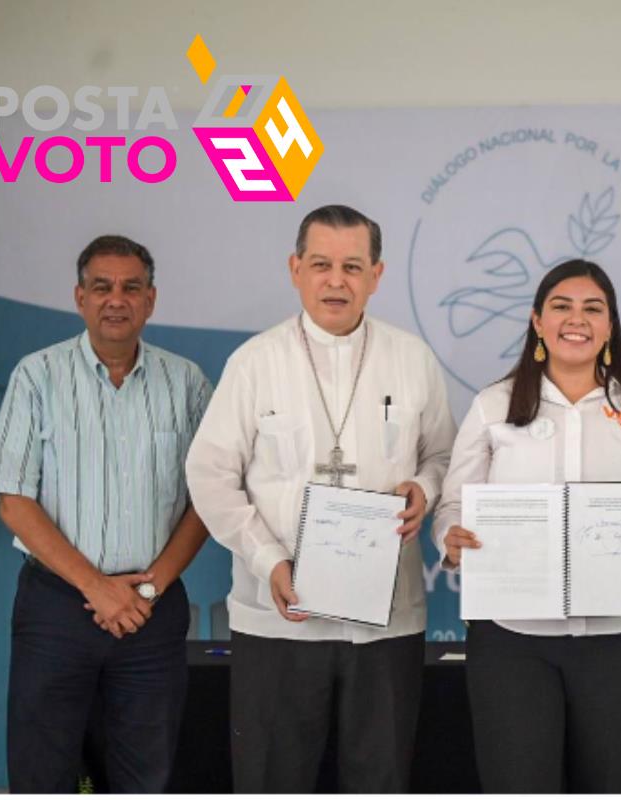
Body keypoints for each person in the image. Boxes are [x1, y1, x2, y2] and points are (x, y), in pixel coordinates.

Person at [184, 204, 456, 792]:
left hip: (386, 621)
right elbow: (209, 475)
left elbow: (442, 457)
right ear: (295, 268)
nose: (337, 280)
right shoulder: (255, 363)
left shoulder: (412, 360)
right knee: (272, 779)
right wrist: (269, 560)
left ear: (376, 276)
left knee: (379, 778)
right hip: (279, 618)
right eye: (322, 264)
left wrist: (423, 488)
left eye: (353, 266)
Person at [436, 259, 621, 792]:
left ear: (610, 327)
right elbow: (453, 507)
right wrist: (451, 538)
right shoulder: (493, 406)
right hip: (512, 642)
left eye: (593, 308)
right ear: (537, 321)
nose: (576, 319)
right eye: (561, 306)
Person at [0, 235, 212, 792]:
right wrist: (98, 588)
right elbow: (13, 499)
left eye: (131, 287)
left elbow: (208, 499)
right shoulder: (39, 377)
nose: (116, 299)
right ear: (79, 297)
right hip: (57, 608)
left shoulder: (188, 384)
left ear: (151, 300)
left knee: (144, 775)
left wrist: (145, 591)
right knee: (42, 772)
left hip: (151, 612)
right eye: (101, 286)